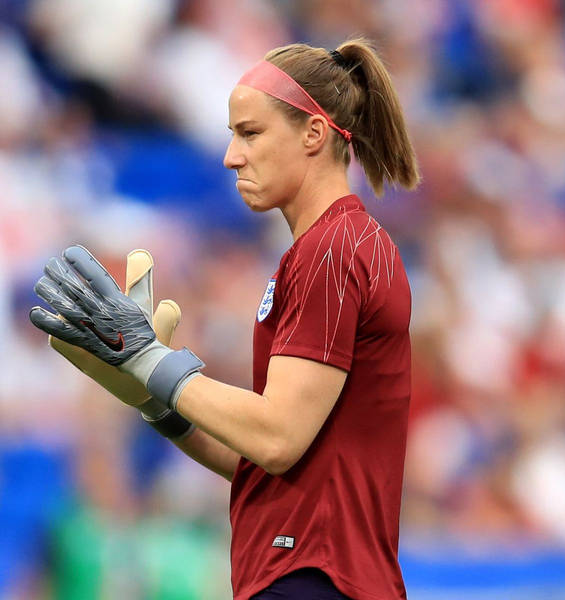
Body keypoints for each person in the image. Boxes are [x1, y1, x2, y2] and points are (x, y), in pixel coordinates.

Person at [30, 38, 419, 600]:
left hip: (315, 573)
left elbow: (278, 437)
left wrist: (151, 358)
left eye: (250, 132)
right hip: (315, 571)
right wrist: (153, 396)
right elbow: (263, 459)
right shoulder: (332, 248)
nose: (231, 155)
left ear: (314, 133)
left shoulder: (333, 250)